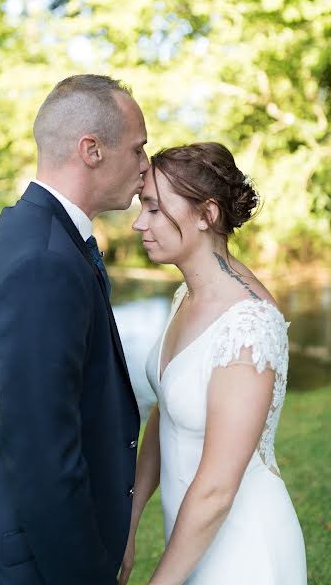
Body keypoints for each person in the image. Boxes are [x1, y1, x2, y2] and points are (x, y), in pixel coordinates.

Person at [0, 74, 149, 585]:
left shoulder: (27, 231)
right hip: (15, 560)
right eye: (139, 149)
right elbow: (44, 460)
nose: (146, 165)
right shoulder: (43, 264)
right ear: (91, 150)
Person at [120, 142, 307, 585]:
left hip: (244, 554)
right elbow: (166, 410)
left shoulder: (248, 325)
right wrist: (128, 522)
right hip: (192, 542)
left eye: (154, 209)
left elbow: (218, 491)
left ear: (207, 215)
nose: (137, 223)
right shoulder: (187, 295)